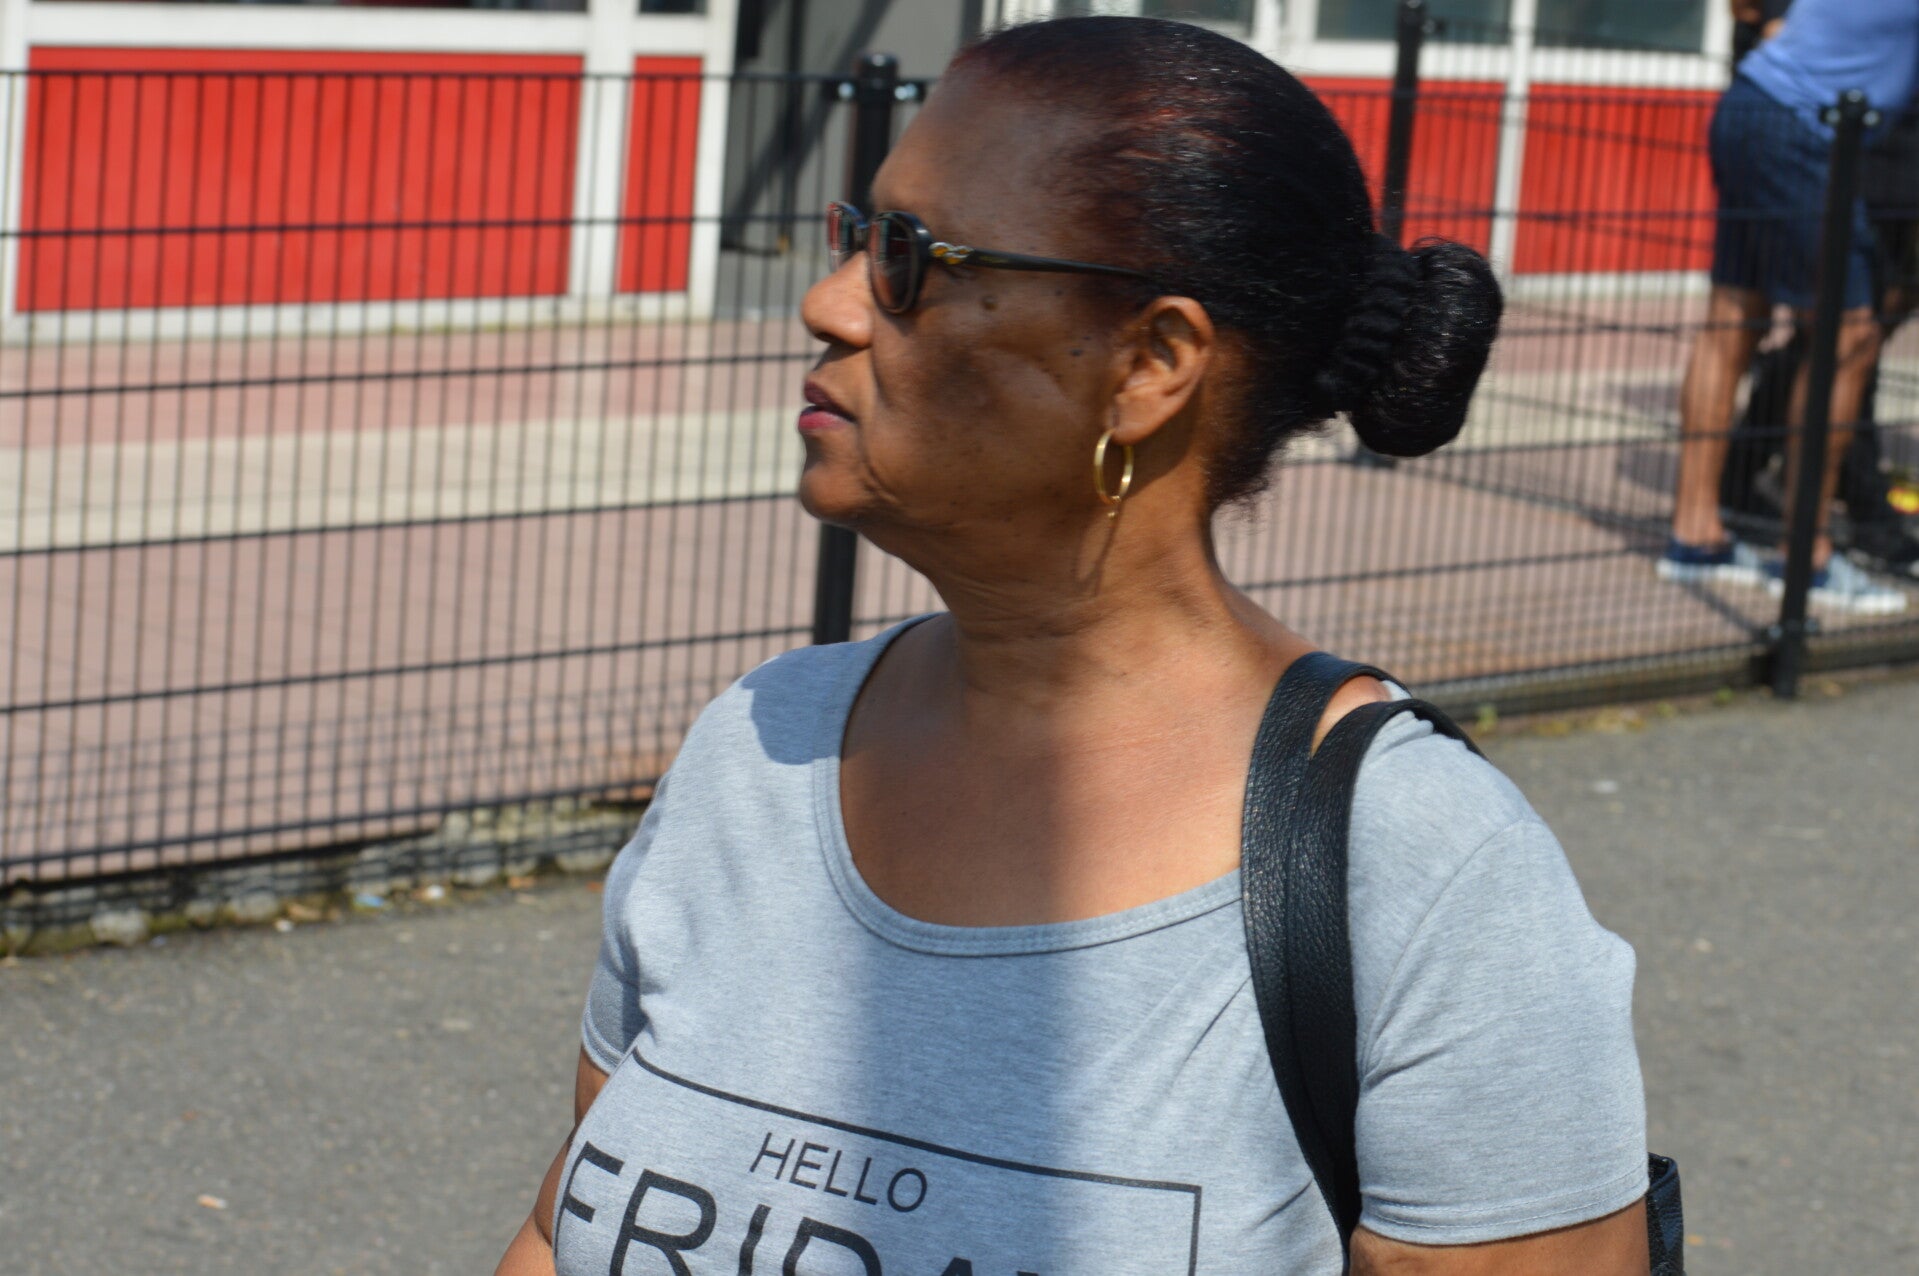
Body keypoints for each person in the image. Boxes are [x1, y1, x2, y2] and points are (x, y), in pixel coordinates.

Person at [498, 18, 1650, 1274]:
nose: (826, 305)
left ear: (1149, 363)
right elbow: (565, 1229)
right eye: (855, 235)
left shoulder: (1420, 871)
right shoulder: (760, 747)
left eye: (909, 260)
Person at [1663, 0, 1918, 614]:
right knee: (1848, 337)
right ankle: (1806, 558)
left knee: (1734, 318)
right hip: (1805, 128)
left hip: (1752, 102)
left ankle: (1694, 537)